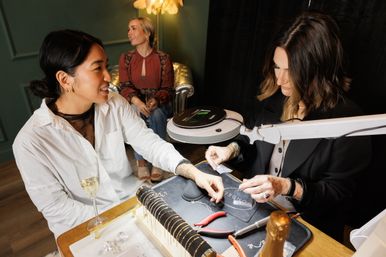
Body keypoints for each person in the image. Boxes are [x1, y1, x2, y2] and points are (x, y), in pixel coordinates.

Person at [12, 29, 223, 238]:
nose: (107, 76)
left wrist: (192, 171)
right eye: (97, 68)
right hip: (87, 229)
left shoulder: (115, 103)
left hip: (132, 205)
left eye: (106, 65)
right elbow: (58, 209)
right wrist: (121, 220)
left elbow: (149, 143)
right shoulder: (30, 142)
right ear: (65, 80)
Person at [205, 12, 372, 241]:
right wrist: (230, 150)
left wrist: (286, 186)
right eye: (277, 67)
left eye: (291, 70)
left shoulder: (348, 122)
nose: (280, 79)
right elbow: (250, 144)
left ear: (317, 70)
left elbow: (338, 196)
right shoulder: (276, 98)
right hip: (254, 211)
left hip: (306, 227)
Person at [119, 17, 174, 182]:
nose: (129, 33)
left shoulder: (163, 58)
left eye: (133, 28)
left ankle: (158, 161)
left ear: (147, 32)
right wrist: (137, 101)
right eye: (129, 29)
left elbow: (167, 88)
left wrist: (156, 100)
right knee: (135, 114)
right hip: (136, 102)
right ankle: (141, 160)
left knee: (156, 114)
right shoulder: (126, 58)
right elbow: (124, 86)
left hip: (160, 104)